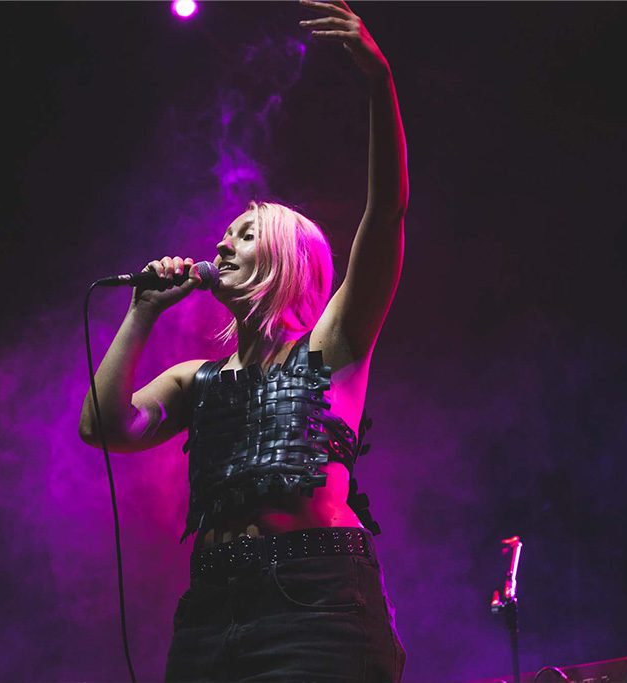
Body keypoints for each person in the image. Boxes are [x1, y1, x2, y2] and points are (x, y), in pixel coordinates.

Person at [79, 1, 408, 680]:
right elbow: (102, 426)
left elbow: (386, 213)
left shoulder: (332, 346)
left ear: (288, 259)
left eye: (245, 234)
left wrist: (380, 81)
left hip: (314, 602)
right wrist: (142, 313)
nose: (222, 243)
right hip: (212, 610)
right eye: (224, 234)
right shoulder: (195, 378)